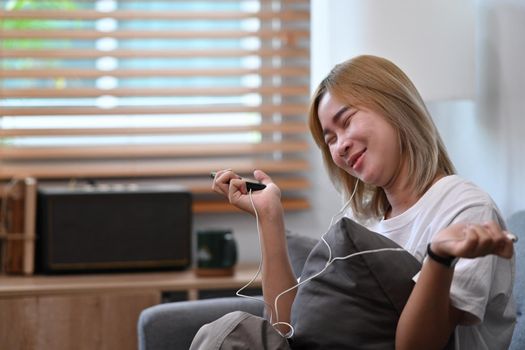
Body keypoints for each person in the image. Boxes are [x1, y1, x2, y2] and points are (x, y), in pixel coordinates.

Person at [211, 55, 516, 350]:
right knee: (232, 332)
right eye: (330, 139)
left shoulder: (465, 208)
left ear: (395, 107)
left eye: (347, 121)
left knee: (232, 333)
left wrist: (438, 259)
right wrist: (268, 217)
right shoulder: (362, 228)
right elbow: (289, 330)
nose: (341, 145)